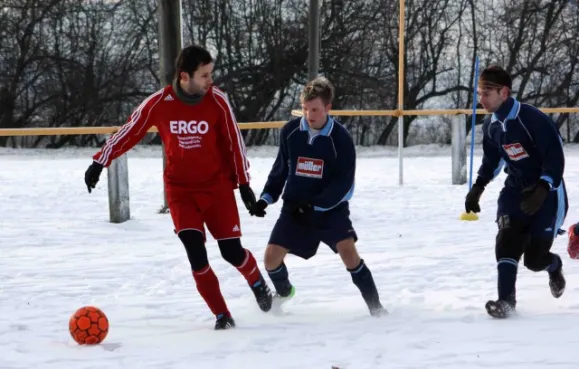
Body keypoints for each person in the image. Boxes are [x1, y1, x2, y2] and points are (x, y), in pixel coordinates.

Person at [84, 44, 273, 330]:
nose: (211, 80)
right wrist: (100, 161)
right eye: (205, 75)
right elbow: (130, 130)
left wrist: (244, 184)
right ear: (185, 76)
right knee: (195, 251)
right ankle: (223, 315)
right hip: (181, 191)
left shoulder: (218, 101)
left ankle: (257, 281)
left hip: (217, 188)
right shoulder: (159, 103)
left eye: (211, 73)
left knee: (231, 252)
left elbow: (235, 142)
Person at [249, 77, 387, 317]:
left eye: (314, 109)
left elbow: (344, 184)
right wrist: (266, 198)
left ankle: (376, 309)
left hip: (331, 212)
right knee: (270, 259)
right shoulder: (291, 132)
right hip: (294, 211)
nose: (309, 114)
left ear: (327, 108)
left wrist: (315, 204)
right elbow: (280, 170)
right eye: (305, 109)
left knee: (349, 254)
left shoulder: (341, 138)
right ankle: (284, 292)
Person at [464, 65, 567, 318]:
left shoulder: (532, 119)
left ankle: (554, 265)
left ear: (504, 92)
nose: (481, 99)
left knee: (534, 259)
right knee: (507, 238)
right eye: (479, 93)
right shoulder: (491, 125)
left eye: (487, 93)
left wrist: (543, 188)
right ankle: (506, 301)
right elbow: (491, 161)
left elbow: (555, 158)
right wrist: (478, 187)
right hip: (514, 190)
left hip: (548, 192)